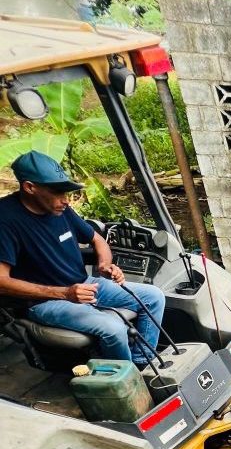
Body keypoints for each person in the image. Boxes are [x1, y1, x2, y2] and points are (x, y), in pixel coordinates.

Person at [0, 151, 165, 366]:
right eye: (58, 193)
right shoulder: (6, 220)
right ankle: (127, 384)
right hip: (45, 301)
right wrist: (65, 293)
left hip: (84, 285)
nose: (66, 201)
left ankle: (141, 362)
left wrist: (104, 264)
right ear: (30, 187)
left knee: (154, 297)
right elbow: (2, 282)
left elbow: (97, 239)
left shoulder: (60, 208)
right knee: (113, 328)